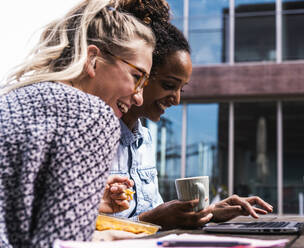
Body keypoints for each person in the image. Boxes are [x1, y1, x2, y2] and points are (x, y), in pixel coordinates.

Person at [0, 0, 155, 247]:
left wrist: (84, 202)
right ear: (93, 58)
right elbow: (57, 243)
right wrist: (94, 240)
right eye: (137, 77)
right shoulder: (92, 115)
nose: (139, 98)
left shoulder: (13, 99)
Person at [103, 17, 273, 229]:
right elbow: (84, 226)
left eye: (181, 89)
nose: (176, 99)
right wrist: (148, 221)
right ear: (141, 74)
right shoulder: (97, 135)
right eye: (169, 85)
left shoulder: (144, 139)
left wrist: (209, 212)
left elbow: (150, 212)